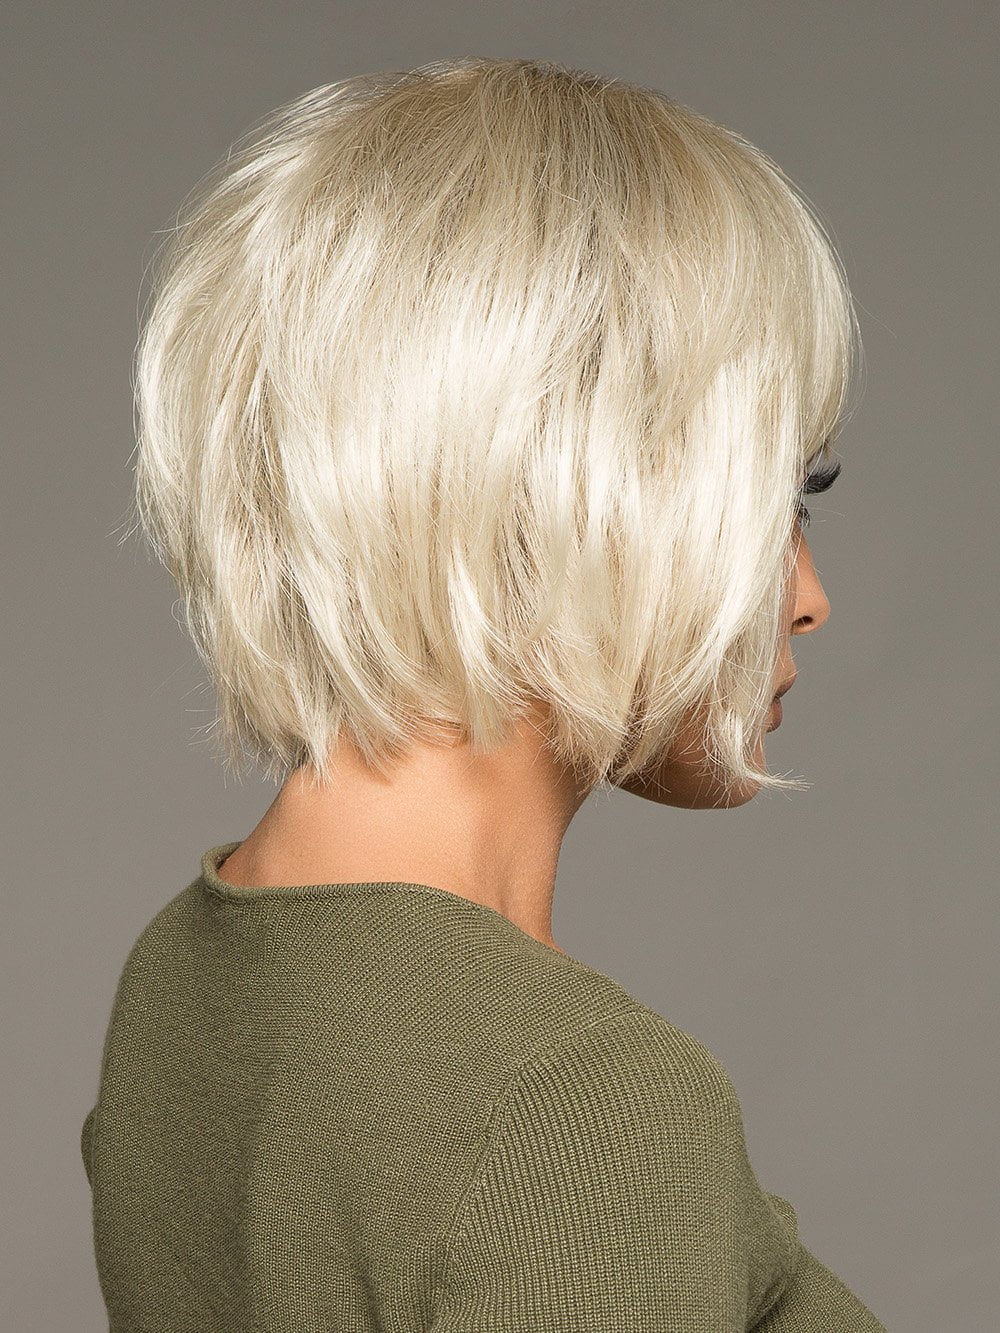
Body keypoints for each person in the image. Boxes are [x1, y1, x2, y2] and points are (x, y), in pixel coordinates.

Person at [80, 56, 888, 1330]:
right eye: (775, 500)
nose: (807, 597)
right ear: (576, 491)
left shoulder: (185, 973)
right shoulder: (574, 1102)